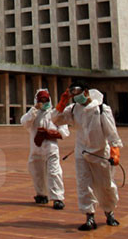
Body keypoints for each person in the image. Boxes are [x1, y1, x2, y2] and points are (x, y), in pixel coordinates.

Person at [52, 80, 123, 231]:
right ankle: (89, 216)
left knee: (105, 185)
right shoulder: (73, 109)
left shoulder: (102, 109)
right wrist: (62, 102)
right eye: (72, 94)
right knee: (84, 184)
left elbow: (112, 134)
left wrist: (115, 152)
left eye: (77, 92)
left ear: (85, 92)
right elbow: (56, 119)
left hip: (99, 153)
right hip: (81, 153)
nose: (75, 96)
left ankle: (109, 212)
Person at [20, 88, 69, 209]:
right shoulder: (33, 114)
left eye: (45, 99)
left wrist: (49, 134)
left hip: (51, 149)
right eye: (41, 100)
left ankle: (57, 197)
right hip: (36, 149)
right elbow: (24, 122)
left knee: (54, 172)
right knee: (37, 173)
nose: (43, 102)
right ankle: (41, 194)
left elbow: (64, 133)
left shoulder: (55, 115)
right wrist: (34, 109)